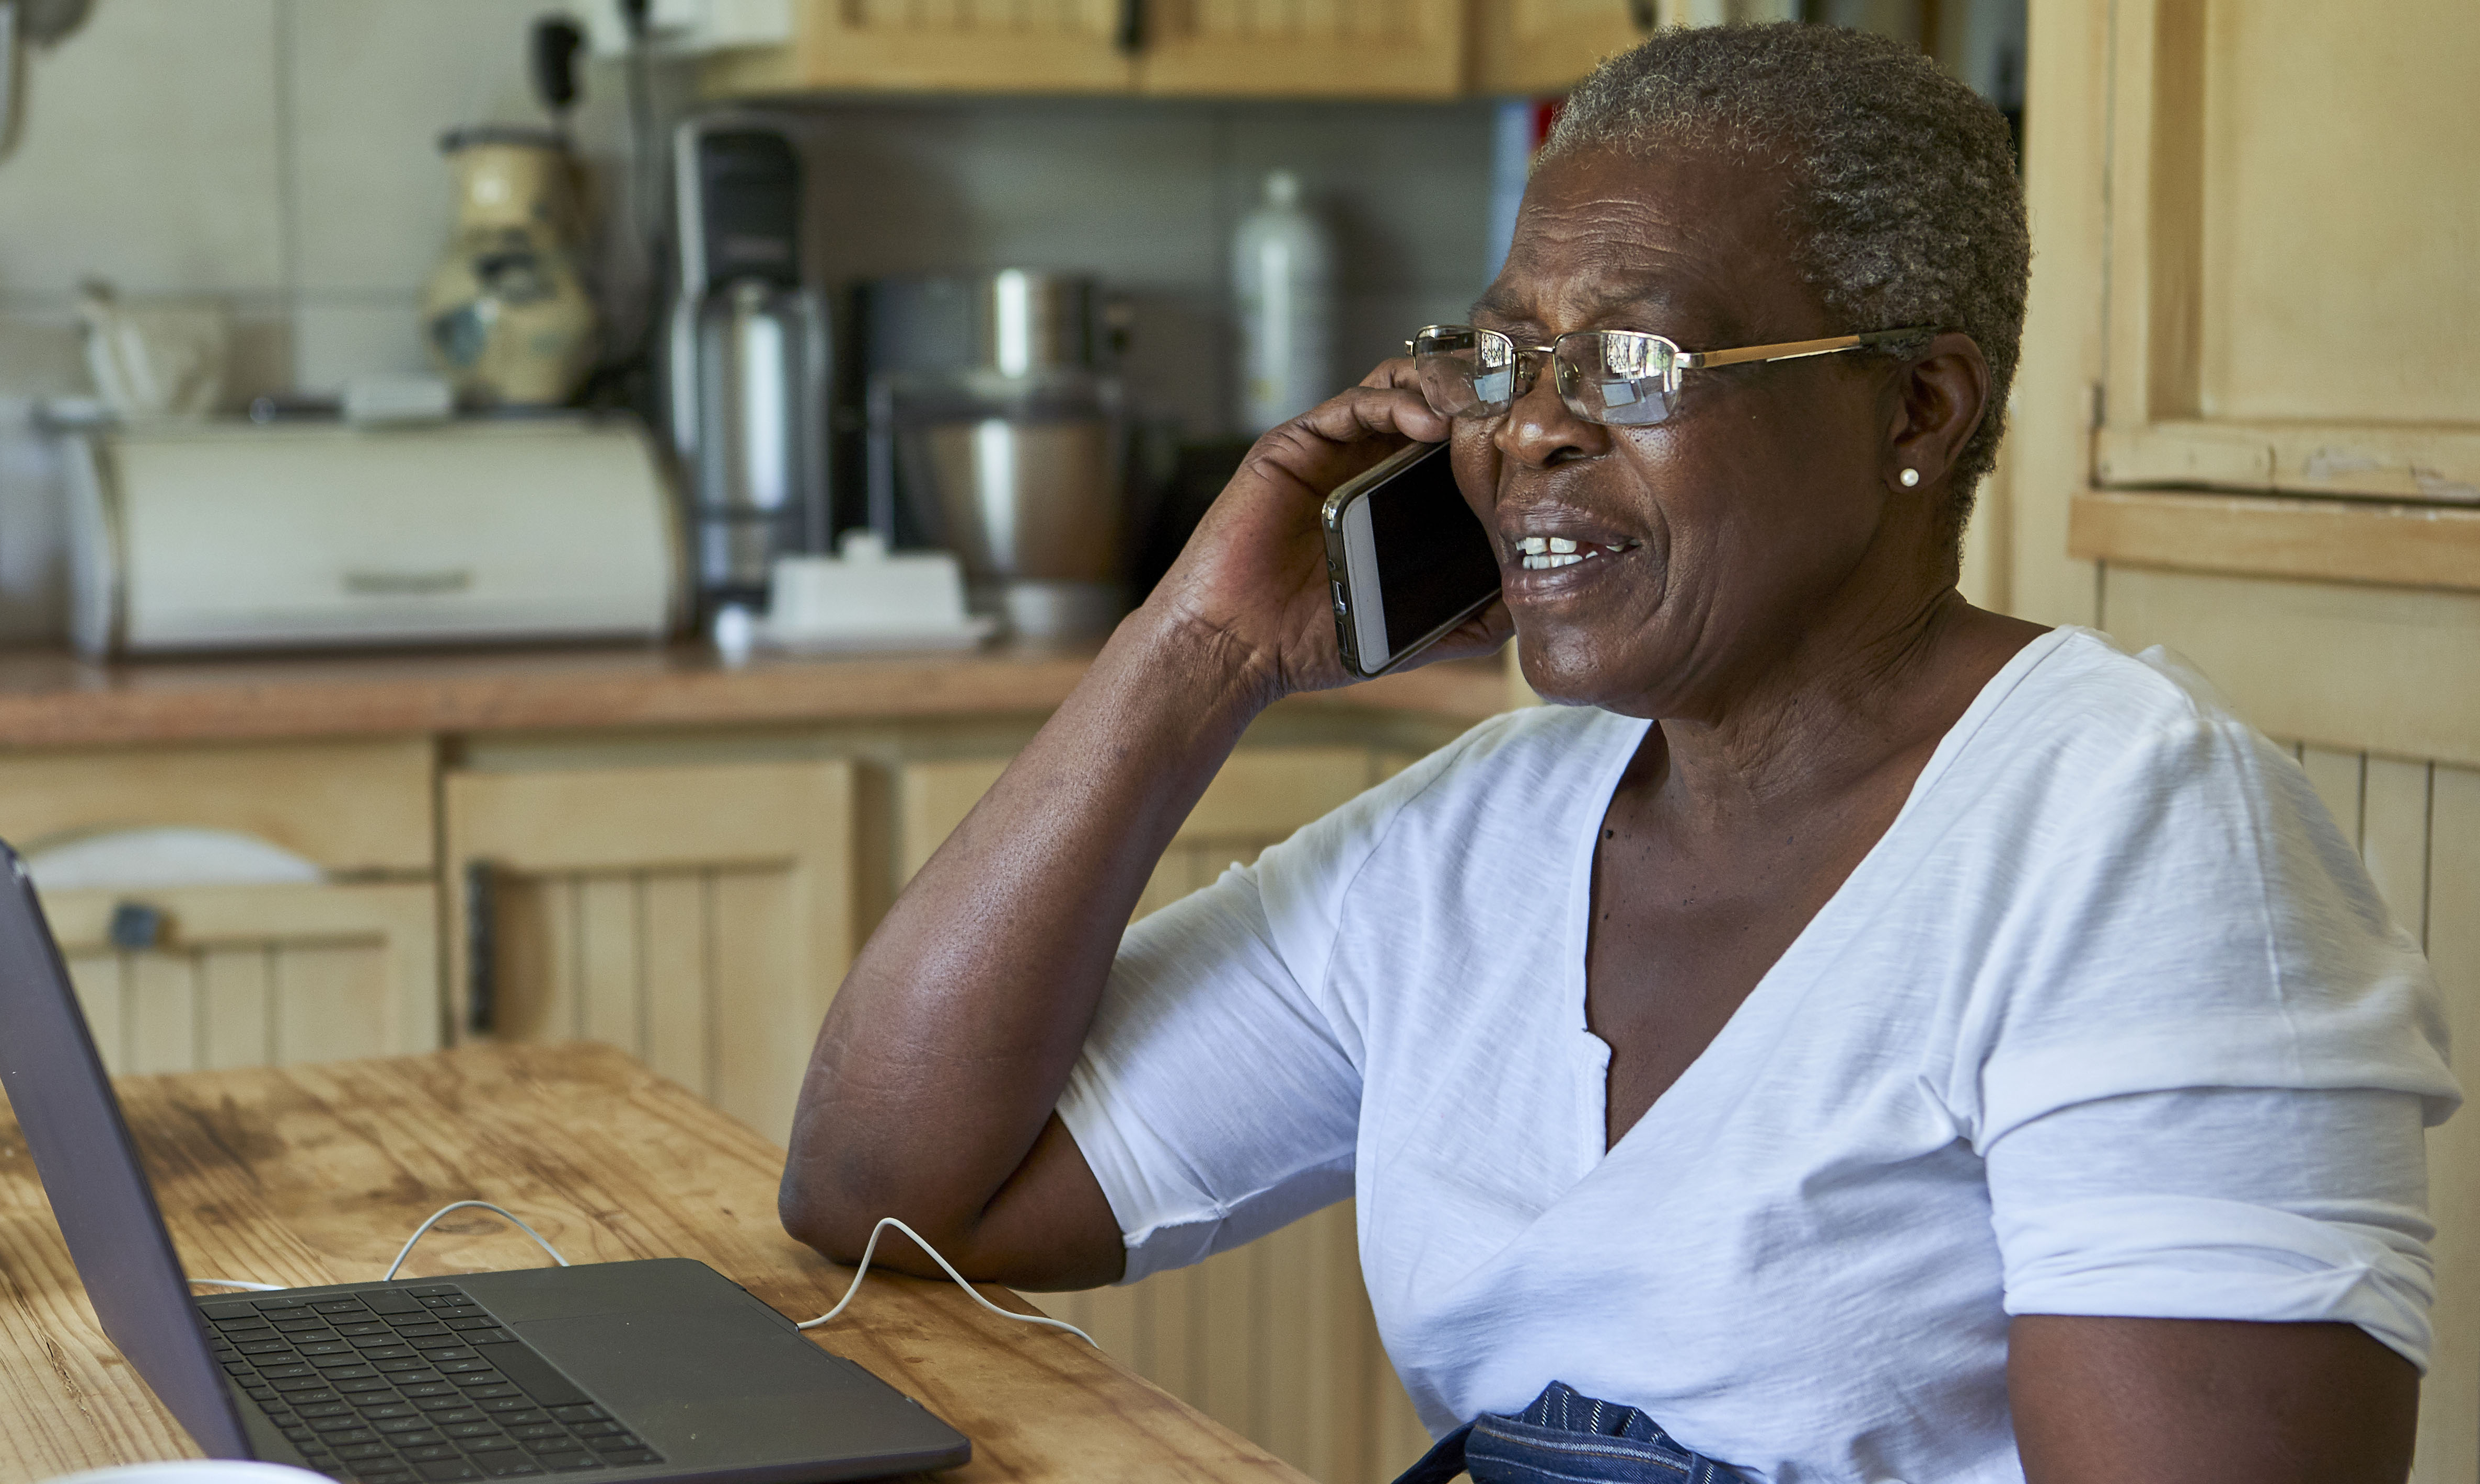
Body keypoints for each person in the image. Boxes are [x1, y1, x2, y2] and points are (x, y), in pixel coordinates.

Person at [779, 23, 2452, 1483]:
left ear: (1917, 412)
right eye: (1504, 357)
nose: (1526, 430)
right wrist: (1197, 652)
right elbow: (890, 1192)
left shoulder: (2131, 841)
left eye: (1634, 362)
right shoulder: (1473, 837)